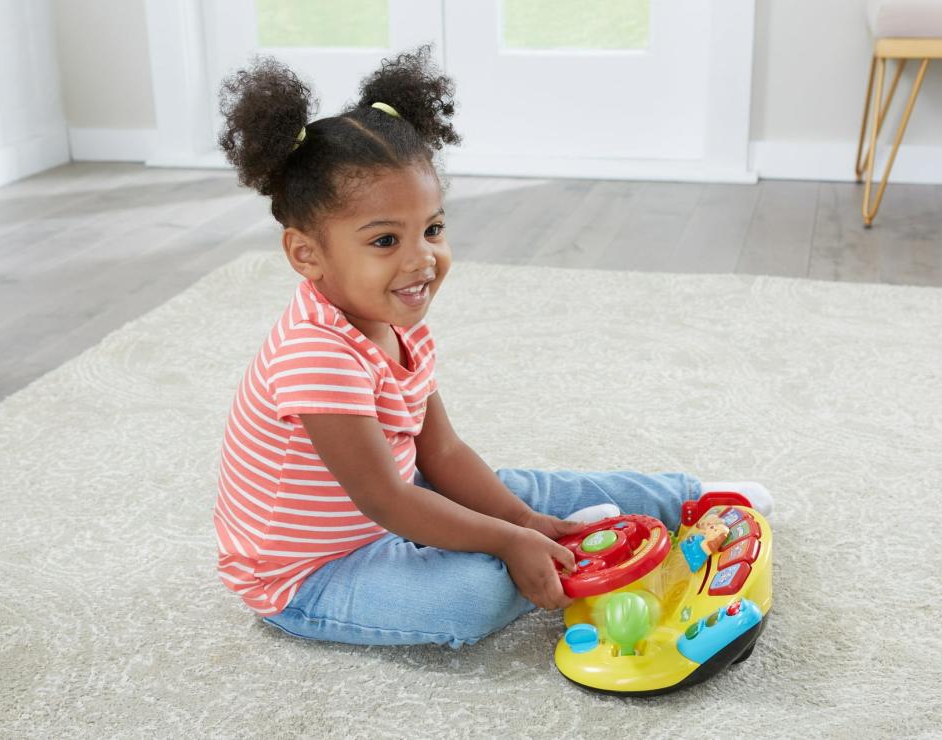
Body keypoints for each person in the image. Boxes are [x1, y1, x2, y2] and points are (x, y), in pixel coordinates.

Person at [212, 44, 773, 650]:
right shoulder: (315, 356)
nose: (421, 258)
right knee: (473, 595)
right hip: (315, 574)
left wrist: (524, 522)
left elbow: (443, 452)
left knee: (525, 495)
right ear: (306, 254)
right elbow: (386, 500)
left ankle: (689, 498)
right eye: (384, 241)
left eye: (432, 229)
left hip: (400, 504)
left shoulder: (395, 324)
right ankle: (549, 557)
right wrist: (506, 539)